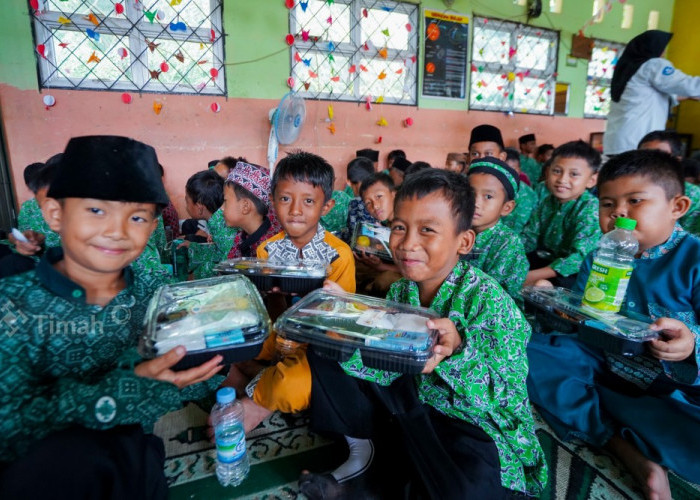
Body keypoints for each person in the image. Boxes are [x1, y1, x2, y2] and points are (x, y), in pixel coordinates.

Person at [299, 169, 547, 499]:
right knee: (325, 348)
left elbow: (505, 399)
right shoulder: (402, 291)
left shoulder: (490, 303)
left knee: (466, 486)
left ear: (464, 241)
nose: (407, 243)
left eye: (427, 230)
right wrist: (348, 321)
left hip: (467, 423)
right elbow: (382, 367)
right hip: (411, 402)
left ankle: (376, 479)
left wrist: (458, 353)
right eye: (399, 227)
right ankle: (366, 454)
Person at [0, 136, 224, 498]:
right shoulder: (13, 305)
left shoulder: (152, 291)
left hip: (132, 459)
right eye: (96, 211)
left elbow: (169, 369)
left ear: (153, 225)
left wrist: (220, 364)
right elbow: (10, 428)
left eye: (136, 217)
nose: (117, 231)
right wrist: (120, 392)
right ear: (55, 213)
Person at [527, 149, 700, 500]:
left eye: (635, 201)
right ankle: (627, 448)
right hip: (603, 362)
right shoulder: (597, 256)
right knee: (529, 357)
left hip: (668, 385)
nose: (618, 212)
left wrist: (690, 344)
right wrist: (560, 307)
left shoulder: (694, 260)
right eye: (607, 204)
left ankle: (607, 417)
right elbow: (584, 322)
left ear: (677, 207)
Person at [236, 151, 356, 432]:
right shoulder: (267, 249)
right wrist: (273, 297)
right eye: (286, 199)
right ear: (273, 201)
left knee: (293, 386)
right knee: (230, 342)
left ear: (326, 207)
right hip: (277, 333)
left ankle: (257, 393)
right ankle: (257, 371)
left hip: (313, 348)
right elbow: (267, 309)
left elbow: (338, 324)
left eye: (309, 201)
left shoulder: (339, 255)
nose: (295, 210)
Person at [603, 30, 700, 155]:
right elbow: (688, 86)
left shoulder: (629, 69)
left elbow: (663, 95)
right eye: (663, 48)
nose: (664, 53)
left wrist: (690, 96)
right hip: (639, 141)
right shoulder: (653, 65)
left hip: (617, 142)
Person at [521, 141, 602, 287]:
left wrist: (531, 275)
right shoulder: (547, 202)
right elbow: (529, 238)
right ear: (547, 172)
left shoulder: (590, 207)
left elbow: (580, 257)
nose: (562, 180)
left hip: (574, 270)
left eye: (574, 174)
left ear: (591, 180)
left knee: (541, 284)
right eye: (557, 171)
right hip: (547, 260)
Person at [466, 158, 529, 305]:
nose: (475, 203)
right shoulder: (454, 230)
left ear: (506, 207)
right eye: (470, 193)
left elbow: (495, 298)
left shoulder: (508, 243)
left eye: (488, 196)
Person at [637, 130, 700, 233]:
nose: (649, 162)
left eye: (659, 156)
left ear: (677, 160)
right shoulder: (623, 189)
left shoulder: (693, 195)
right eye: (643, 155)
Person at [353, 173, 401, 296]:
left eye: (379, 196)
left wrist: (381, 266)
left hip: (414, 274)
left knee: (384, 281)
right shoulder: (388, 224)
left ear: (394, 193)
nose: (375, 206)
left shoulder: (407, 222)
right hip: (393, 266)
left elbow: (415, 266)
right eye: (368, 203)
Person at [221, 161, 281, 258]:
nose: (222, 208)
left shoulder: (271, 248)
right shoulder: (241, 238)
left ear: (245, 206)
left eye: (225, 201)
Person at [502, 148, 538, 234]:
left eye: (513, 169)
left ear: (519, 170)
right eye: (505, 169)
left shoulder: (529, 192)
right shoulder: (493, 190)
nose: (509, 174)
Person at [342, 157, 376, 243]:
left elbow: (353, 232)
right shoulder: (377, 199)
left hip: (360, 250)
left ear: (348, 182)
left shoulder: (355, 203)